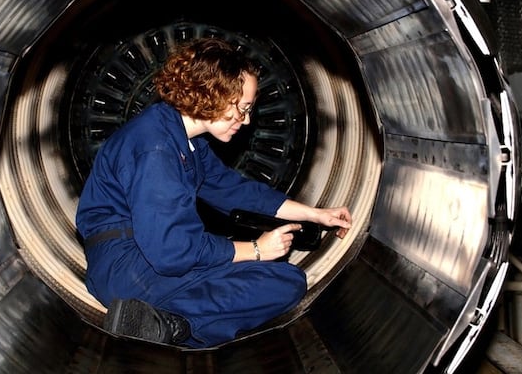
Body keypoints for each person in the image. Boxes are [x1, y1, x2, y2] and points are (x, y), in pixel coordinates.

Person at [75, 37, 352, 348]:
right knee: (284, 282)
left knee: (281, 279)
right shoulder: (156, 148)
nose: (246, 120)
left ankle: (166, 320)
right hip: (128, 268)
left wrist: (315, 214)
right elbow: (172, 253)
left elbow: (234, 191)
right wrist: (255, 249)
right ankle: (172, 325)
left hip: (142, 262)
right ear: (213, 94)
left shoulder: (184, 139)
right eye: (243, 108)